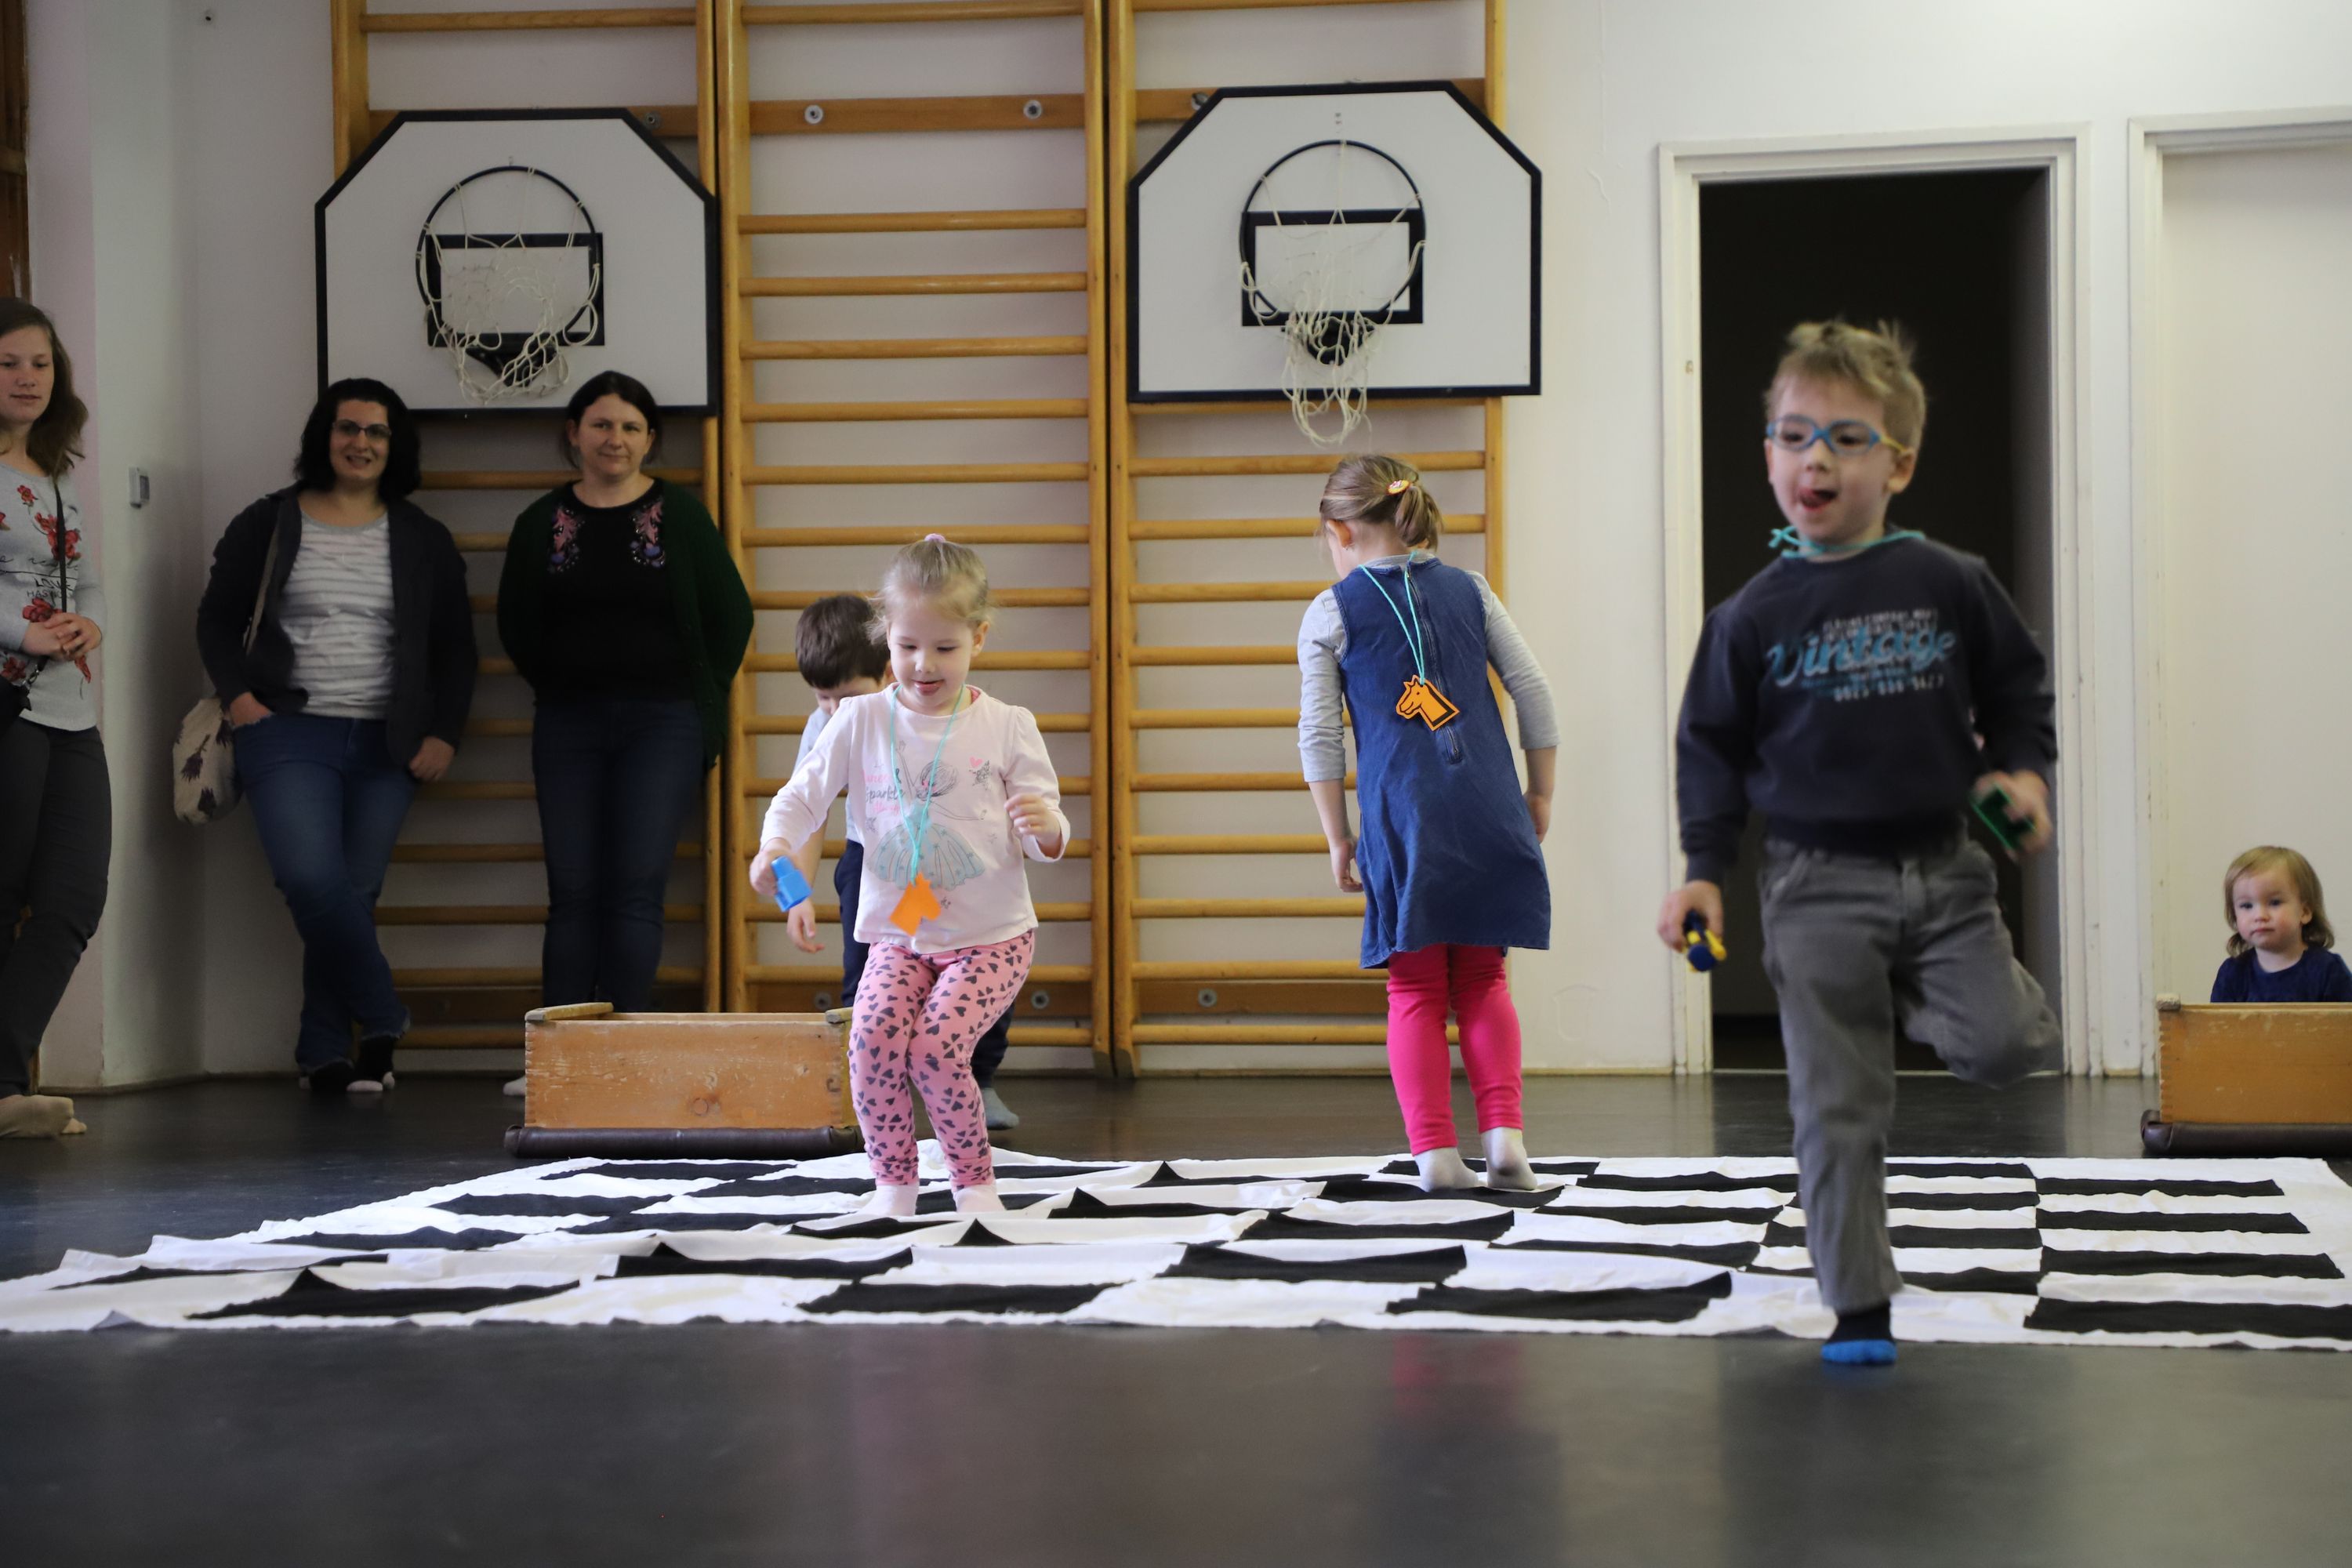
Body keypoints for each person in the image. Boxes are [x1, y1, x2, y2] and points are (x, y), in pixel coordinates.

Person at [1657, 320, 2060, 1367]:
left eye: (1846, 438)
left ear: (1900, 465)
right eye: (1794, 437)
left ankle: (1912, 994)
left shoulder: (1950, 579)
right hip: (1814, 885)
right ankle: (1861, 1305)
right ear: (1769, 456)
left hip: (1947, 873)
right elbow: (1709, 751)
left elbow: (2018, 688)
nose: (1817, 460)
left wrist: (2022, 773)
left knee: (2011, 1045)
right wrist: (1703, 872)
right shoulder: (1748, 617)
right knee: (1836, 1107)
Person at [752, 537, 1064, 1218]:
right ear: (885, 638)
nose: (924, 665)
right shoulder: (858, 719)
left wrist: (1045, 826)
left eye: (945, 648)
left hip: (991, 938)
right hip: (902, 933)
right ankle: (894, 1186)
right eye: (907, 646)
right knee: (869, 1041)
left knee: (936, 1049)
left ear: (979, 637)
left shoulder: (1008, 726)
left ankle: (973, 1187)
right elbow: (802, 797)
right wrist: (775, 848)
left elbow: (1049, 840)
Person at [198, 378, 475, 1094]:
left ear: (394, 445)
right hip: (287, 731)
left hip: (389, 741)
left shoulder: (423, 537)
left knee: (353, 891)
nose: (361, 443)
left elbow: (456, 649)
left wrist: (444, 733)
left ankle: (324, 1052)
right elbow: (217, 621)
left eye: (377, 432)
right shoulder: (268, 521)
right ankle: (383, 1015)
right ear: (324, 436)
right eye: (348, 428)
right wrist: (240, 701)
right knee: (310, 879)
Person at [1297, 456, 1557, 1193]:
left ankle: (1437, 1154)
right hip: (1490, 808)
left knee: (1414, 989)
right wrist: (1540, 792)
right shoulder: (1472, 590)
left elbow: (1319, 735)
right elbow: (1534, 691)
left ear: (1341, 531)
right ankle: (1505, 1141)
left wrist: (1338, 836)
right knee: (1484, 977)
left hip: (1402, 820)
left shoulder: (1331, 611)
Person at [496, 372, 751, 1073]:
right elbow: (516, 623)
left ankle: (624, 1059)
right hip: (567, 725)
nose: (616, 439)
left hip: (664, 726)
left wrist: (696, 695)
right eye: (602, 424)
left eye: (631, 427)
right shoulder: (540, 522)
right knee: (573, 892)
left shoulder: (681, 516)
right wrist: (565, 682)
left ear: (650, 440)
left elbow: (731, 616)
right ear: (574, 434)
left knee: (637, 890)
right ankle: (557, 1065)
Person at [782, 593, 1023, 1131]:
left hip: (949, 862)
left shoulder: (944, 716)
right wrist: (794, 892)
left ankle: (980, 1078)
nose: (834, 711)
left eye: (846, 697)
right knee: (867, 976)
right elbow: (807, 813)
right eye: (822, 698)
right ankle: (870, 1090)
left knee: (972, 964)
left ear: (889, 670)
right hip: (874, 865)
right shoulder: (827, 726)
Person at [0, 300, 103, 1138]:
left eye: (40, 363)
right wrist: (21, 631)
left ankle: (3, 1076)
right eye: (7, 363)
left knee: (72, 897)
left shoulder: (55, 476)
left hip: (70, 709)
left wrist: (88, 623)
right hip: (7, 703)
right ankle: (5, 1086)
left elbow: (84, 580)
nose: (27, 378)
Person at [2211, 847, 2352, 1002]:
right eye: (2247, 906)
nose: (2260, 916)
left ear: (2304, 912)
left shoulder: (2329, 970)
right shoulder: (2232, 974)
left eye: (2275, 903)